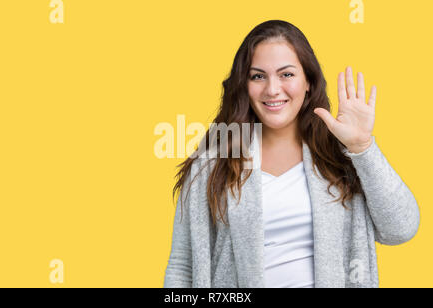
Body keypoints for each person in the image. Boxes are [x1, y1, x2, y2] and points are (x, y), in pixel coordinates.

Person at [163, 20, 420, 288]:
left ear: (308, 81)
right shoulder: (213, 165)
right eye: (258, 76)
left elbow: (400, 229)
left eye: (286, 74)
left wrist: (363, 147)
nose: (272, 89)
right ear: (244, 85)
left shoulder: (341, 158)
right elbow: (182, 265)